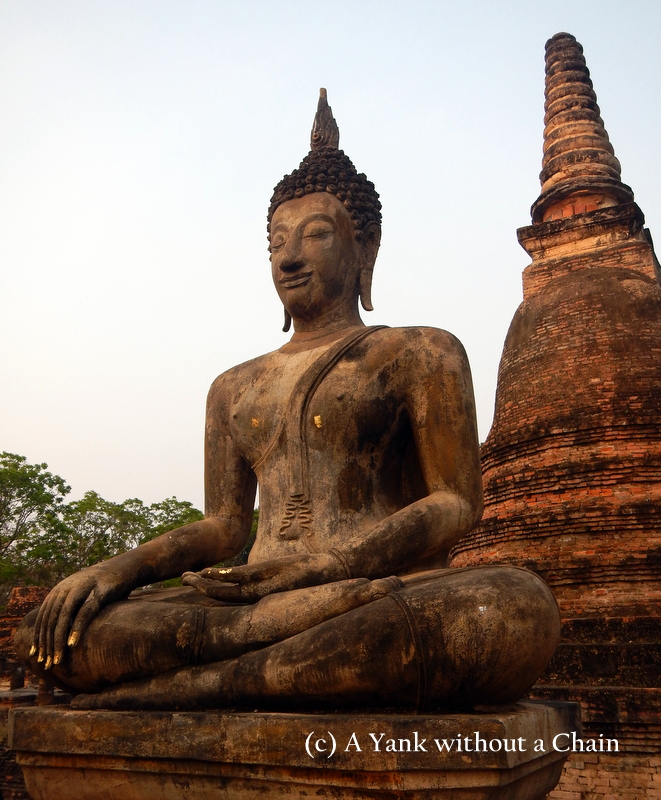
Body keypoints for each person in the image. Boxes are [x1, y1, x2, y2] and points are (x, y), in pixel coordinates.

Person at [15, 91, 559, 711]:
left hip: (370, 590)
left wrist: (325, 565)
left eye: (315, 234)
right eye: (276, 241)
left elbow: (457, 502)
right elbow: (226, 528)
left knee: (508, 609)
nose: (290, 255)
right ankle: (257, 667)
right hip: (250, 603)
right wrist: (114, 570)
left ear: (366, 248)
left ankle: (200, 684)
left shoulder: (421, 352)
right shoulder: (233, 387)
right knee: (50, 634)